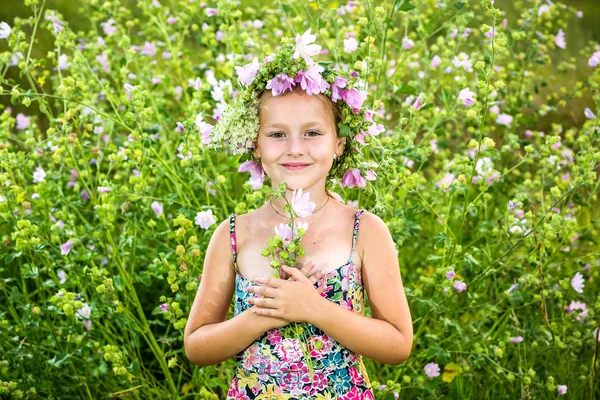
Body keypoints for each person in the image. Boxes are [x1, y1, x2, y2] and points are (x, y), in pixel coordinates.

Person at [184, 29, 413, 399]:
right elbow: (197, 345)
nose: (294, 149)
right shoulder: (234, 233)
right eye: (276, 135)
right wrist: (267, 314)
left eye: (312, 133)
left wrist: (313, 309)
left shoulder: (365, 230)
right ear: (254, 145)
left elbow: (398, 345)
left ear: (339, 144)